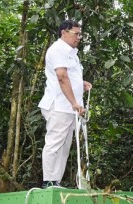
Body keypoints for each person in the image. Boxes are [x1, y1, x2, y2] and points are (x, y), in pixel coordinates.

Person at [38, 20, 92, 188]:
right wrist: (74, 102)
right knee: (55, 142)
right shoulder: (58, 49)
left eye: (79, 34)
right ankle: (48, 181)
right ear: (64, 32)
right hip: (60, 105)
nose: (79, 37)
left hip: (69, 108)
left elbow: (68, 75)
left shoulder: (71, 53)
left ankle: (56, 182)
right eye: (76, 34)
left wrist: (81, 83)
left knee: (65, 146)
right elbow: (61, 77)